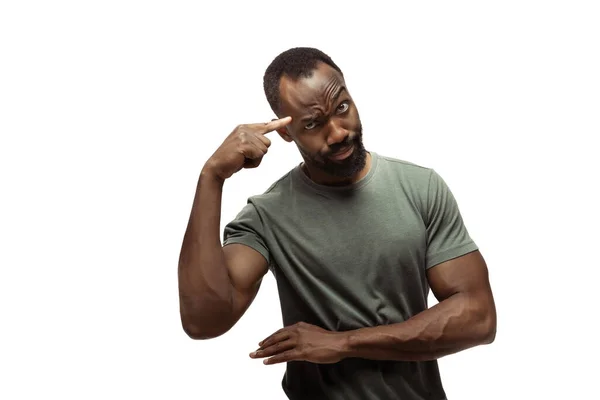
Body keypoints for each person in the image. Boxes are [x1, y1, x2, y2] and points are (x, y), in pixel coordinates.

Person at [178, 47, 497, 400]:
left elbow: (478, 318)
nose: (337, 132)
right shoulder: (267, 217)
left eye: (342, 108)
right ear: (285, 132)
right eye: (313, 124)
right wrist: (212, 177)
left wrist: (344, 343)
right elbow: (203, 321)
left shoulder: (421, 188)